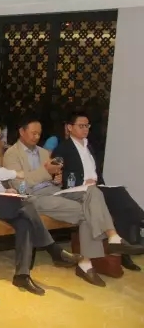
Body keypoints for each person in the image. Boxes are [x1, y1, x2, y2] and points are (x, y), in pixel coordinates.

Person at [3, 115, 144, 286]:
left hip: (55, 191)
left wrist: (57, 179)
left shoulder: (43, 152)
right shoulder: (11, 154)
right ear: (21, 131)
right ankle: (87, 262)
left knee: (93, 191)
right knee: (88, 211)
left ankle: (113, 237)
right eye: (33, 133)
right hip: (34, 197)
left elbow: (54, 178)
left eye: (39, 133)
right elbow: (20, 186)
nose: (37, 137)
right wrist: (46, 172)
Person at [0, 117, 82, 295]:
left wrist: (6, 191)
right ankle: (53, 249)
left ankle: (22, 275)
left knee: (24, 220)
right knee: (27, 205)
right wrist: (16, 173)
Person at [52, 111, 144, 271]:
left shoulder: (89, 146)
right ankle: (140, 220)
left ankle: (122, 252)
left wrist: (100, 183)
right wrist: (82, 182)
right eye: (81, 126)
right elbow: (57, 175)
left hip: (97, 187)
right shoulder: (63, 148)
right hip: (80, 190)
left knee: (121, 206)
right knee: (119, 194)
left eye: (87, 126)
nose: (85, 129)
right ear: (70, 127)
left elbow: (96, 172)